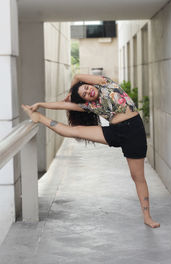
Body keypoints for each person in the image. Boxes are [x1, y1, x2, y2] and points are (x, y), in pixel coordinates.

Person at [21, 73, 160, 228]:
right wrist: (41, 104)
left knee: (137, 177)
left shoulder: (104, 83)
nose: (88, 92)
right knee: (75, 130)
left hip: (134, 131)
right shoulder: (90, 106)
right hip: (115, 131)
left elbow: (77, 75)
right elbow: (64, 106)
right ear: (85, 100)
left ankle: (147, 217)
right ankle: (39, 118)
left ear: (89, 83)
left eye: (86, 88)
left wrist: (71, 92)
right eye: (85, 95)